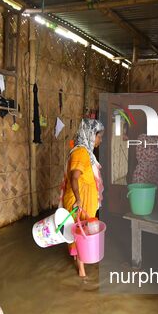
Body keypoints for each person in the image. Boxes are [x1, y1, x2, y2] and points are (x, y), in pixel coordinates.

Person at [60, 119, 105, 277]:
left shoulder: (87, 153)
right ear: (91, 135)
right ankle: (82, 272)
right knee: (81, 231)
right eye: (99, 136)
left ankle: (78, 261)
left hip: (85, 199)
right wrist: (79, 200)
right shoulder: (80, 152)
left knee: (80, 230)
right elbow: (74, 177)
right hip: (80, 200)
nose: (100, 140)